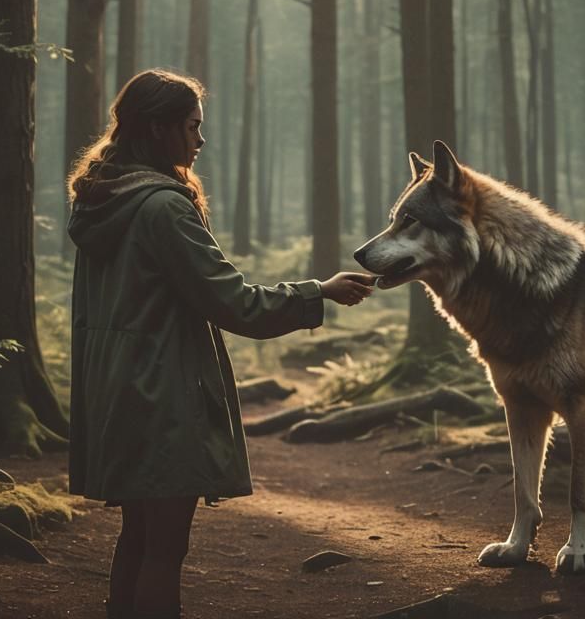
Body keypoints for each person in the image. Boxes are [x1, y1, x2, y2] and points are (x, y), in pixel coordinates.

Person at [66, 68, 374, 619]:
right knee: (165, 548)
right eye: (192, 126)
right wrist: (318, 291)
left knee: (139, 535)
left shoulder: (102, 199)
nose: (201, 140)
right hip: (161, 395)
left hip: (116, 389)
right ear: (158, 128)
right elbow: (236, 303)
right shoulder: (162, 208)